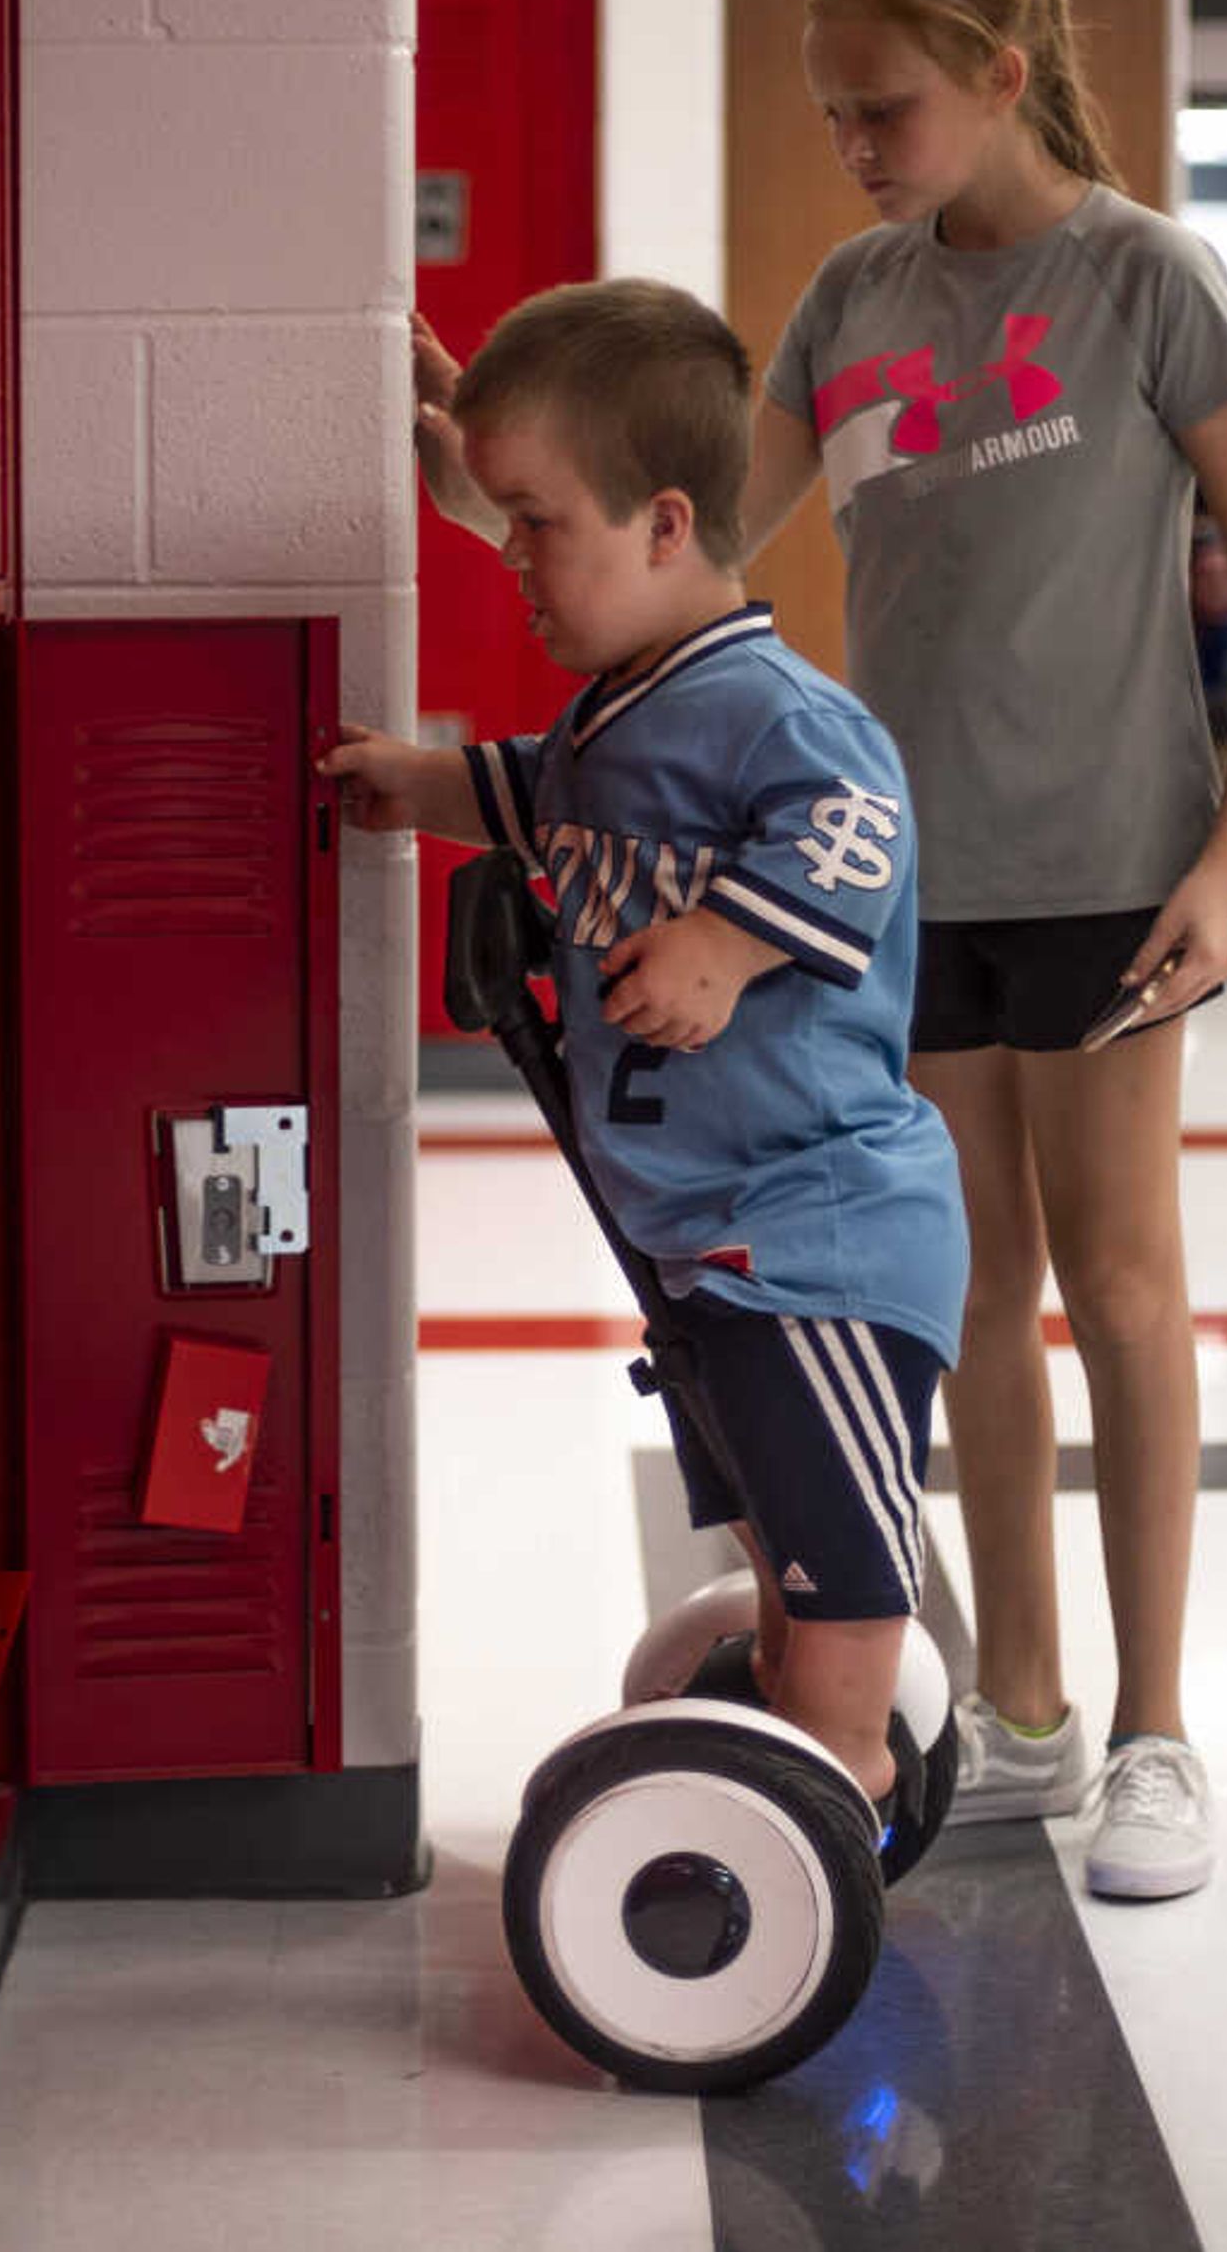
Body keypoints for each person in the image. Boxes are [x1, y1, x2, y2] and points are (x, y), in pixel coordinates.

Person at [418, 0, 1227, 1901]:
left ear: (1004, 75)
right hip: (907, 883)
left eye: (885, 104)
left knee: (1125, 1285)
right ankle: (1023, 1707)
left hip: (1113, 867)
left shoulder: (1150, 280)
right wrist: (489, 478)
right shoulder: (854, 296)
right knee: (967, 1297)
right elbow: (690, 533)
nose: (857, 141)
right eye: (834, 113)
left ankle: (1161, 1730)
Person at [328, 278, 971, 1812]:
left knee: (836, 1593)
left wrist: (733, 939)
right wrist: (410, 785)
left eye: (536, 526)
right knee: (774, 1545)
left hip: (813, 1234)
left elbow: (859, 826)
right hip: (715, 1241)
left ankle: (829, 1803)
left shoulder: (763, 707)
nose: (515, 568)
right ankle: (800, 1750)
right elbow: (540, 790)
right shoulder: (622, 708)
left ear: (667, 525)